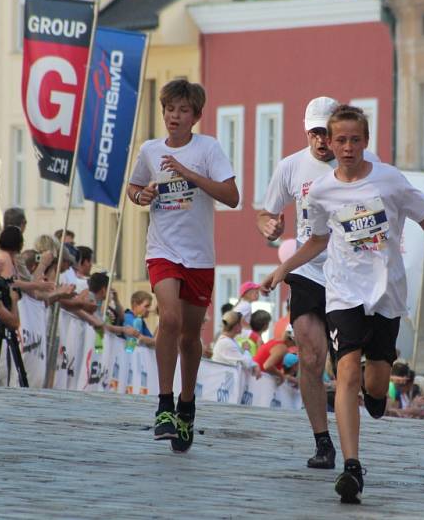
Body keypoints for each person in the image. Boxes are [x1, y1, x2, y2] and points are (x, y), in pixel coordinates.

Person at [261, 104, 424, 504]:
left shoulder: (389, 181)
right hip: (344, 291)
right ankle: (352, 467)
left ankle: (377, 394)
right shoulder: (322, 192)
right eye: (340, 140)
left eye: (354, 140)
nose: (347, 147)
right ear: (329, 143)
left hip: (386, 292)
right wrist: (283, 270)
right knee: (345, 371)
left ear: (365, 142)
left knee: (374, 382)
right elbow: (315, 240)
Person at [256, 96, 380, 471]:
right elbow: (266, 213)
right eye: (314, 133)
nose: (322, 141)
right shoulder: (291, 167)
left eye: (327, 132)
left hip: (350, 274)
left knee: (350, 365)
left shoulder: (362, 168)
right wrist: (268, 226)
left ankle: (370, 393)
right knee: (311, 356)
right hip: (307, 271)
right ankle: (322, 441)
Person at [127, 78, 239, 453]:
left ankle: (186, 405)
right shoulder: (149, 149)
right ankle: (163, 404)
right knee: (169, 319)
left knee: (191, 337)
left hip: (199, 256)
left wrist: (188, 174)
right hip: (162, 249)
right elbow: (135, 188)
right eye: (169, 109)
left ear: (195, 116)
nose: (174, 116)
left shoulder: (208, 148)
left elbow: (232, 195)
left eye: (183, 110)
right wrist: (141, 195)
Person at [211, 311, 261, 378]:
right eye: (240, 324)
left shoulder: (230, 340)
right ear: (236, 326)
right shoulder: (226, 343)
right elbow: (246, 363)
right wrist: (246, 350)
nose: (242, 326)